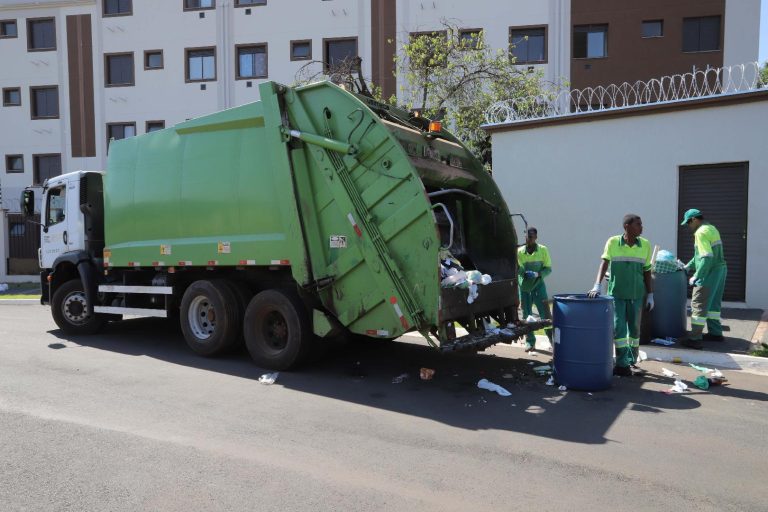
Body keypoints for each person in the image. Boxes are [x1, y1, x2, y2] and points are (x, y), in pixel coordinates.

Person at [588, 214, 654, 377]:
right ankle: (622, 364)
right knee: (619, 329)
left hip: (636, 294)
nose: (641, 227)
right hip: (617, 294)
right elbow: (604, 263)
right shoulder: (613, 242)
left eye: (641, 224)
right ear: (627, 226)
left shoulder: (645, 244)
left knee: (634, 329)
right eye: (638, 224)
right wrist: (597, 285)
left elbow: (647, 271)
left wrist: (650, 294)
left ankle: (632, 359)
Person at [679, 209, 727, 350]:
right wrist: (687, 267)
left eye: (688, 223)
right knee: (713, 305)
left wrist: (697, 275)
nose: (688, 226)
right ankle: (715, 333)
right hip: (720, 270)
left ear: (694, 219)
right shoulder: (711, 228)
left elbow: (706, 257)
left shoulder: (700, 233)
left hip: (709, 272)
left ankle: (695, 339)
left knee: (698, 304)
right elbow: (699, 256)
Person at [517, 227, 553, 352]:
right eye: (527, 237)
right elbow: (517, 268)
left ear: (536, 237)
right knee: (527, 315)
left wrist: (537, 274)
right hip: (525, 287)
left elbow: (548, 268)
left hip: (538, 286)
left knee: (545, 313)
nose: (529, 239)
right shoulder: (519, 252)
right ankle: (530, 342)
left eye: (531, 237)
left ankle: (552, 339)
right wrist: (522, 272)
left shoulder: (543, 250)